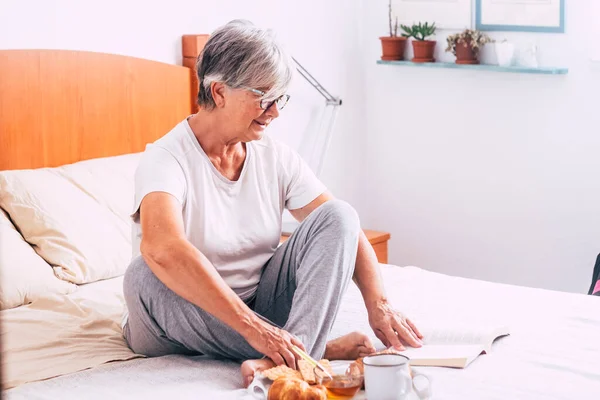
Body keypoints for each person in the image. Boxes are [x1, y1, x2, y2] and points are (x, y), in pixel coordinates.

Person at [122, 19, 423, 387]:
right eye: (264, 97)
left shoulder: (274, 156)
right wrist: (257, 331)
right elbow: (163, 247)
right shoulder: (166, 159)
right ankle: (310, 351)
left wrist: (378, 302)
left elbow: (341, 226)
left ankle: (288, 361)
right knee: (142, 276)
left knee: (339, 214)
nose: (275, 111)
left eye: (280, 97)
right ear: (219, 92)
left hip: (260, 304)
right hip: (182, 314)